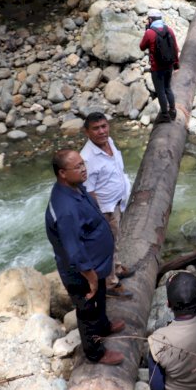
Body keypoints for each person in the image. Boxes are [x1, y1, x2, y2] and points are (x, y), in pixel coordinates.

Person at [45, 149, 125, 365]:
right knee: (87, 310)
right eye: (78, 166)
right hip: (81, 271)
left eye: (83, 164)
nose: (84, 169)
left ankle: (104, 326)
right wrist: (90, 277)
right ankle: (95, 352)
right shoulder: (65, 209)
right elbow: (74, 249)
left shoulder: (75, 188)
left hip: (94, 264)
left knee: (99, 299)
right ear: (62, 173)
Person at [81, 112, 134, 298]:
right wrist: (99, 217)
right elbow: (89, 191)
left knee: (115, 240)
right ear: (87, 132)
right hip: (104, 210)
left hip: (117, 202)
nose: (102, 131)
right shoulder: (87, 158)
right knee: (107, 246)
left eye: (104, 126)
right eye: (96, 128)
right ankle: (110, 283)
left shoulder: (109, 142)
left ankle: (117, 268)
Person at [140, 9, 180, 124]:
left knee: (160, 91)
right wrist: (176, 64)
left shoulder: (150, 33)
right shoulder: (169, 30)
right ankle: (172, 110)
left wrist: (146, 31)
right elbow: (175, 48)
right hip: (168, 66)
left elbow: (142, 47)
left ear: (151, 19)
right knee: (168, 88)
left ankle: (165, 115)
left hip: (157, 68)